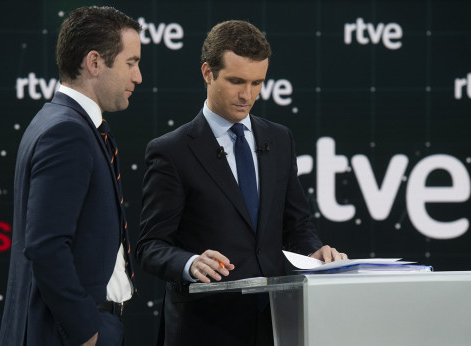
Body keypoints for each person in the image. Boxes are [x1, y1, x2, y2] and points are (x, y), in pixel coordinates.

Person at [136, 20, 347, 346]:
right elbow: (150, 247)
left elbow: (296, 224)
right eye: (236, 81)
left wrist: (315, 253)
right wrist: (191, 263)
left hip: (276, 323)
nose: (247, 95)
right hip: (204, 328)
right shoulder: (172, 151)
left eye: (257, 82)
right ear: (208, 73)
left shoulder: (279, 138)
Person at [0, 6, 142, 346]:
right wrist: (85, 331)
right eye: (131, 63)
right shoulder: (68, 131)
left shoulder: (59, 121)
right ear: (94, 62)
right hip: (71, 332)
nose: (138, 77)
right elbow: (46, 245)